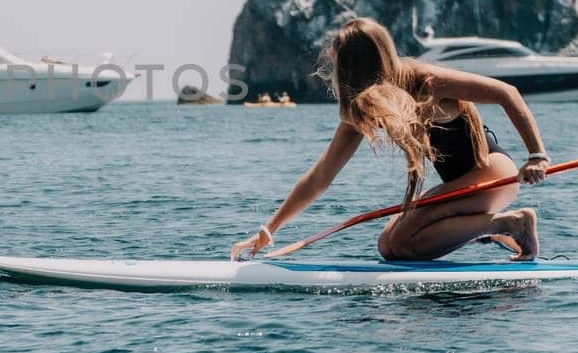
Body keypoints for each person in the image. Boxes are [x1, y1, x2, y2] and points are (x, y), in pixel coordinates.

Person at [231, 17, 549, 263]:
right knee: (390, 244)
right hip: (465, 185)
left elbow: (507, 93)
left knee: (402, 241)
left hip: (492, 174)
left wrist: (536, 155)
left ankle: (510, 224)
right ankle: (493, 226)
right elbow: (319, 177)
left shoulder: (427, 81)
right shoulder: (362, 112)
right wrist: (270, 229)